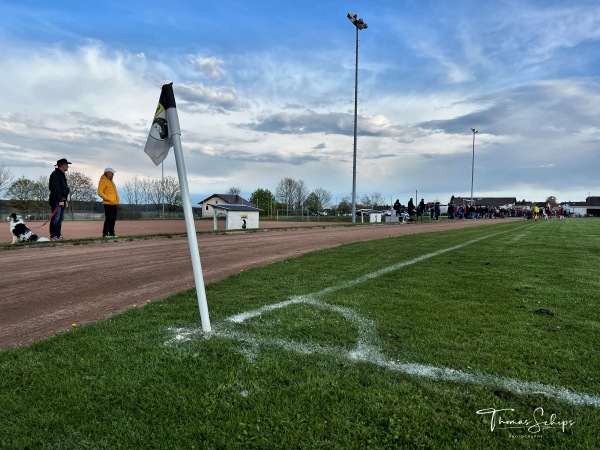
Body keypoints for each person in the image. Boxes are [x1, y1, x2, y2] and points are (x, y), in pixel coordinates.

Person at [48, 158, 71, 240]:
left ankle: (58, 235)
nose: (68, 166)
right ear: (63, 165)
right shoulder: (55, 174)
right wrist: (60, 200)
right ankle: (53, 236)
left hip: (62, 200)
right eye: (67, 165)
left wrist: (65, 200)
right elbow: (55, 188)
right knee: (55, 219)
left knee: (60, 219)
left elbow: (64, 189)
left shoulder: (62, 174)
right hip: (56, 200)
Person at [97, 167, 120, 238]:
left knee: (113, 218)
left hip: (114, 203)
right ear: (107, 173)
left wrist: (116, 200)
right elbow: (100, 192)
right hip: (108, 203)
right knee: (108, 218)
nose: (113, 174)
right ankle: (105, 234)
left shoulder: (111, 181)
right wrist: (108, 199)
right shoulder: (103, 181)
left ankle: (112, 233)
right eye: (112, 173)